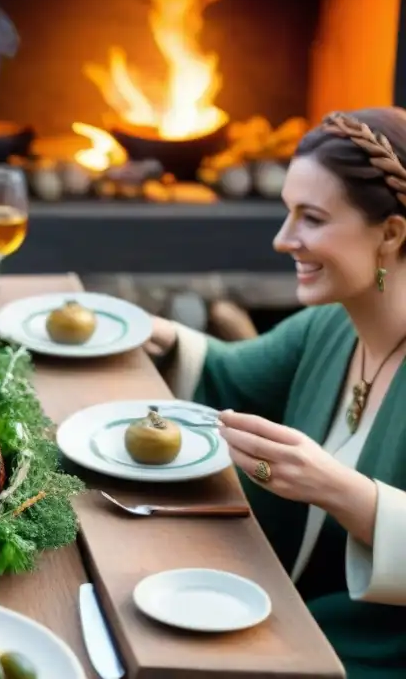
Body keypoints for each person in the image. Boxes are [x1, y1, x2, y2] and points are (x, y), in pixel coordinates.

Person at [147, 107, 406, 678]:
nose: (283, 239)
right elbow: (229, 375)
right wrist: (152, 333)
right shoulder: (334, 324)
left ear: (390, 233)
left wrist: (341, 491)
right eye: (288, 212)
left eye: (311, 218)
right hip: (276, 613)